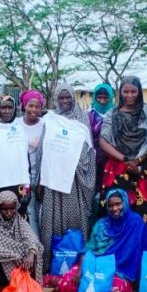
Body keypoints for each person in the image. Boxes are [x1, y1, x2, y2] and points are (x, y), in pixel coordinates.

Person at [39, 80, 97, 272]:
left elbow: (88, 151)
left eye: (67, 97)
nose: (64, 101)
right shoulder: (49, 120)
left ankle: (75, 268)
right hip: (52, 180)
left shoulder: (81, 120)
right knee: (52, 222)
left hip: (74, 181)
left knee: (74, 223)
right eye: (61, 97)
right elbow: (42, 148)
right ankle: (52, 266)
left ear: (73, 98)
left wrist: (72, 163)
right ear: (56, 99)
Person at [58, 189, 147, 292]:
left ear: (125, 202)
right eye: (110, 205)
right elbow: (88, 249)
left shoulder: (136, 222)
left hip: (120, 272)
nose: (114, 209)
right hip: (96, 267)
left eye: (118, 204)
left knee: (115, 291)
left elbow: (144, 253)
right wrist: (80, 270)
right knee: (67, 284)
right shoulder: (101, 224)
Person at [98, 76, 147, 234]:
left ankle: (141, 254)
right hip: (118, 169)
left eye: (133, 91)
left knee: (143, 214)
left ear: (140, 92)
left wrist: (138, 161)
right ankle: (118, 255)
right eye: (126, 91)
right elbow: (104, 142)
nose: (129, 95)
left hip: (142, 169)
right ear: (120, 93)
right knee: (117, 211)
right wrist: (125, 160)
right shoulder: (112, 114)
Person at [0, 190, 42, 292]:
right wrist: (11, 256)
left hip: (16, 256)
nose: (9, 213)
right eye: (5, 209)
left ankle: (23, 285)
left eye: (12, 209)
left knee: (35, 251)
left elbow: (30, 237)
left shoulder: (19, 220)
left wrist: (31, 252)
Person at [0, 95, 29, 216]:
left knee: (15, 210)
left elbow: (25, 155)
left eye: (10, 107)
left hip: (18, 179)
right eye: (3, 107)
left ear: (14, 109)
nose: (7, 111)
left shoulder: (20, 128)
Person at [20, 89, 46, 236]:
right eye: (30, 105)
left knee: (41, 212)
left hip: (41, 175)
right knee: (27, 211)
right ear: (24, 105)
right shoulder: (16, 124)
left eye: (37, 106)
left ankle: (41, 247)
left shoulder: (45, 125)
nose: (34, 110)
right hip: (21, 175)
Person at [89, 82, 114, 176]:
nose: (102, 101)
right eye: (99, 97)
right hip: (93, 159)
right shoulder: (88, 115)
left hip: (112, 158)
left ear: (110, 98)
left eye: (105, 98)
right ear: (94, 98)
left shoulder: (116, 114)